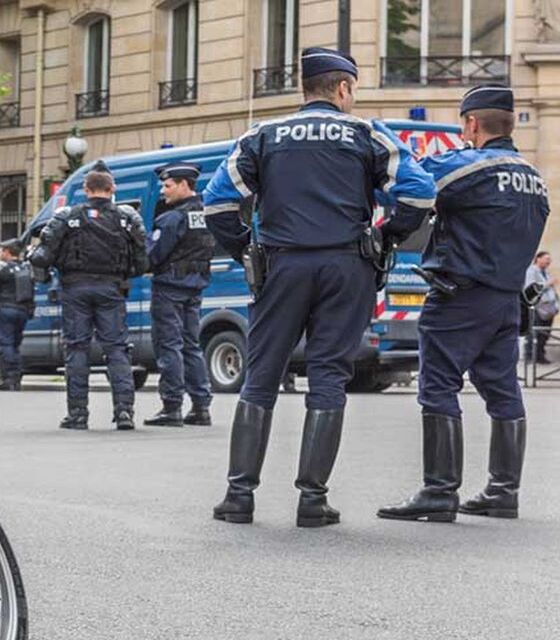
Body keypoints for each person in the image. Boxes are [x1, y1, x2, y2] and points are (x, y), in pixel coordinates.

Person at [203, 47, 436, 527]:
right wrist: (386, 235)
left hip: (282, 264)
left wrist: (247, 249)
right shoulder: (368, 134)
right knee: (329, 376)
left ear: (304, 89)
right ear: (344, 88)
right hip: (346, 266)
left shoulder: (262, 135)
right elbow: (418, 192)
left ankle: (239, 497)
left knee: (261, 375)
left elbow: (217, 203)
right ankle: (312, 500)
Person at [378, 85, 549, 523]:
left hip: (459, 296)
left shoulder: (468, 166)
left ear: (472, 123)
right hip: (506, 300)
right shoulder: (533, 176)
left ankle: (439, 492)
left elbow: (412, 181)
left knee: (438, 386)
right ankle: (503, 492)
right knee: (502, 390)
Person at [30, 162, 149, 430]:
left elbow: (42, 257)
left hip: (75, 290)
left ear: (86, 189)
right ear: (112, 189)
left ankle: (78, 415)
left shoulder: (66, 216)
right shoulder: (127, 218)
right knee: (117, 349)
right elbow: (143, 262)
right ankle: (124, 413)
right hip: (112, 290)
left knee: (77, 348)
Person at [144, 162, 214, 427]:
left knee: (169, 345)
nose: (163, 191)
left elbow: (153, 255)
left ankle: (171, 406)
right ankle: (200, 406)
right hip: (195, 287)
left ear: (184, 184)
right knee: (191, 346)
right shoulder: (205, 214)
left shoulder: (172, 218)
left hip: (170, 288)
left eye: (167, 185)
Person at [0, 238, 35, 391]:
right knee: (15, 345)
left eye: (1, 251)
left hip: (5, 310)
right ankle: (16, 377)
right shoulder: (26, 269)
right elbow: (31, 292)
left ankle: (10, 378)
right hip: (22, 311)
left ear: (7, 252)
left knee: (5, 344)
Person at [525, 251, 559, 364]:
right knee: (534, 332)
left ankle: (540, 355)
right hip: (538, 307)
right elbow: (530, 288)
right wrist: (548, 284)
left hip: (549, 308)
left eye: (549, 259)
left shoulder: (546, 273)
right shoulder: (532, 271)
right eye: (546, 258)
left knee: (545, 333)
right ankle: (531, 356)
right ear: (538, 259)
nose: (548, 261)